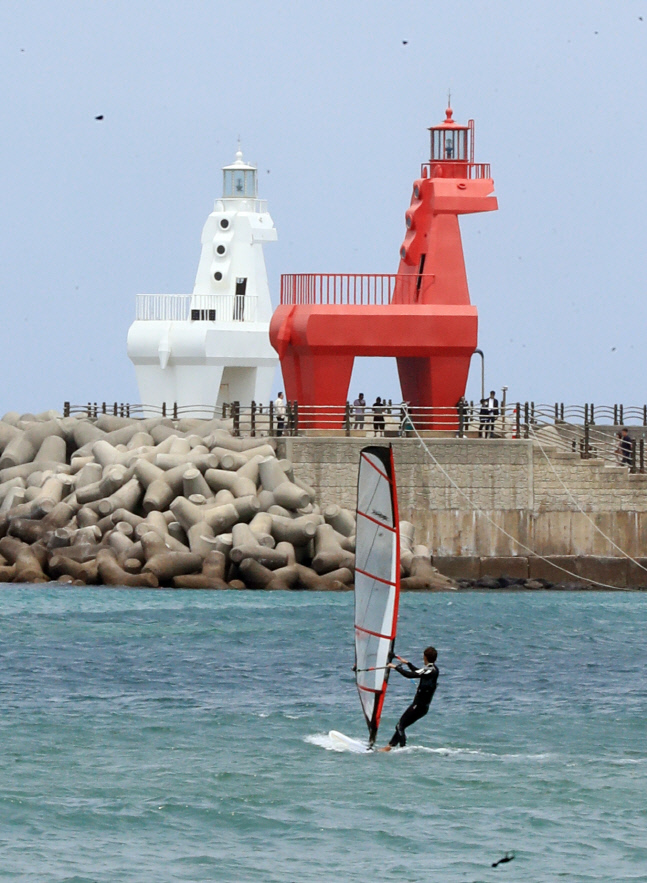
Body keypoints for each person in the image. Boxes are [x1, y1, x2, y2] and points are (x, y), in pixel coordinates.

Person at [379, 646, 439, 751]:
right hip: (422, 707)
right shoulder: (433, 669)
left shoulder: (429, 670)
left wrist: (395, 667)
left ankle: (403, 749)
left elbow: (411, 675)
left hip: (419, 706)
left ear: (425, 657)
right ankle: (389, 747)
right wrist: (407, 663)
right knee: (402, 726)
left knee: (400, 725)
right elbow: (418, 671)